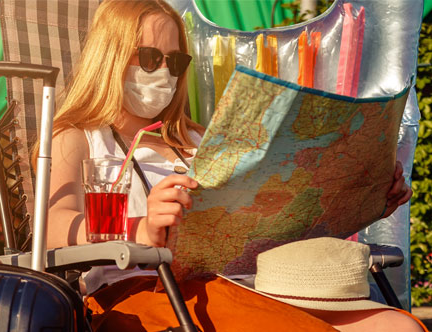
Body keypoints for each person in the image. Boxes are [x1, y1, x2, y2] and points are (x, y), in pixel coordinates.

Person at [44, 0, 421, 330]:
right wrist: (140, 229)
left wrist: (363, 197)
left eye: (175, 61)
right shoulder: (81, 136)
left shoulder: (197, 139)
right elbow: (55, 225)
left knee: (397, 325)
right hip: (143, 292)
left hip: (244, 282)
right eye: (149, 58)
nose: (165, 73)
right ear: (110, 56)